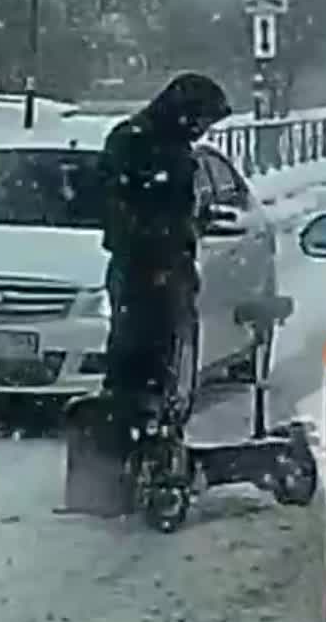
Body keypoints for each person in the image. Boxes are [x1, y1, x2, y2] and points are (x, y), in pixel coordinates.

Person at [97, 71, 232, 445]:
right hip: (146, 267)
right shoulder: (139, 144)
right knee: (138, 353)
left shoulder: (161, 145)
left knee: (164, 354)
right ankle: (134, 435)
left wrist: (188, 228)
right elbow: (120, 208)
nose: (203, 132)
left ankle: (153, 434)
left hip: (164, 266)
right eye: (203, 121)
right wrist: (158, 251)